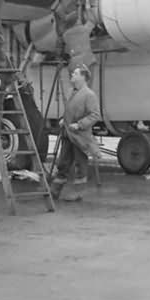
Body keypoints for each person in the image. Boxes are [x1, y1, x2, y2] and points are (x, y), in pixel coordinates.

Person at [50, 65, 101, 202]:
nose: (72, 75)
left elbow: (95, 115)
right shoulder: (72, 92)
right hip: (68, 134)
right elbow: (70, 111)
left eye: (75, 73)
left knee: (80, 164)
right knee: (63, 163)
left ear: (83, 77)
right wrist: (64, 119)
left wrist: (79, 124)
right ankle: (54, 191)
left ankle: (78, 193)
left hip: (80, 136)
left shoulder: (89, 95)